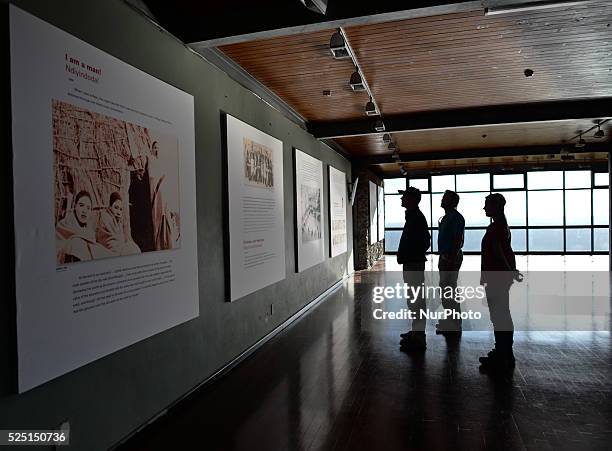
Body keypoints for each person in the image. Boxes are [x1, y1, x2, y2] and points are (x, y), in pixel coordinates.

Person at [479, 193, 523, 372]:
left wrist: (508, 271)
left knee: (499, 315)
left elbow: (498, 252)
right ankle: (504, 352)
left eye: (487, 205)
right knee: (502, 314)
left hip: (496, 276)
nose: (484, 208)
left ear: (496, 207)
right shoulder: (501, 226)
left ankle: (502, 354)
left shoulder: (496, 228)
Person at [397, 187, 431, 351]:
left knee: (416, 300)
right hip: (412, 262)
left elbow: (425, 242)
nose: (401, 199)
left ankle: (419, 338)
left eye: (404, 197)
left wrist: (411, 253)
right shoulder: (414, 216)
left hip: (414, 263)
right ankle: (417, 333)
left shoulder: (416, 217)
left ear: (411, 200)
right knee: (414, 300)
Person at [56, 190, 114, 263]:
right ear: (75, 206)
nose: (84, 211)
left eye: (88, 208)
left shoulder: (89, 230)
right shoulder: (63, 225)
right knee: (76, 242)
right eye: (81, 205)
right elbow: (57, 249)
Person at [436, 190, 465, 335]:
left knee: (449, 290)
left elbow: (458, 239)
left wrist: (450, 256)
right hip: (446, 256)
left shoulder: (455, 218)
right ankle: (451, 321)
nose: (442, 200)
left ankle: (454, 324)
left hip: (450, 257)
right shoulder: (448, 217)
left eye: (445, 198)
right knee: (447, 289)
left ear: (452, 202)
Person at [96, 192, 141, 256]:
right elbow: (109, 240)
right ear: (110, 206)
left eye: (120, 209)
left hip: (118, 249)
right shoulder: (105, 217)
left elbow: (120, 240)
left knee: (133, 247)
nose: (118, 212)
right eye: (116, 208)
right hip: (108, 249)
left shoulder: (118, 222)